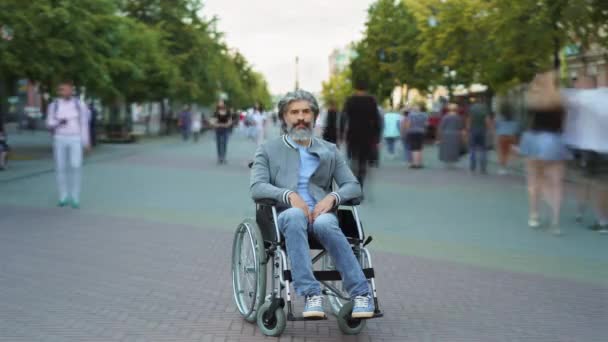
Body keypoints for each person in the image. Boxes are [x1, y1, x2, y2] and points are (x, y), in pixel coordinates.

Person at [250, 89, 374, 319]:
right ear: (284, 117)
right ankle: (311, 294)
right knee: (295, 216)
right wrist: (288, 195)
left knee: (326, 224)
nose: (300, 117)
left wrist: (333, 197)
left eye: (306, 111)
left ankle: (361, 294)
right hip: (285, 216)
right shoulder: (268, 150)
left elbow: (353, 186)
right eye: (294, 112)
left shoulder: (329, 150)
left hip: (321, 214)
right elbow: (257, 187)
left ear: (314, 116)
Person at [518, 71, 571, 235]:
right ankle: (555, 222)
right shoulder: (560, 100)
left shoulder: (531, 100)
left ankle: (534, 215)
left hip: (532, 139)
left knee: (534, 180)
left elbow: (525, 121)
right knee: (556, 184)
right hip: (554, 141)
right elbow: (565, 124)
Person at [46, 80, 91, 209]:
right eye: (61, 89)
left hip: (75, 138)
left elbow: (84, 124)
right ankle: (63, 196)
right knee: (60, 167)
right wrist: (58, 122)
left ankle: (75, 197)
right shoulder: (53, 105)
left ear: (72, 90)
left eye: (66, 89)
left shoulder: (79, 105)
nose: (64, 92)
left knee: (76, 166)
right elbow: (49, 123)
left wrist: (86, 142)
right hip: (59, 138)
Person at [341, 80, 381, 187]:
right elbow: (377, 119)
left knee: (354, 158)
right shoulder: (371, 100)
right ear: (366, 88)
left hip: (352, 133)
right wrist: (377, 135)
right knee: (363, 161)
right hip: (367, 134)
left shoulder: (350, 100)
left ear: (355, 88)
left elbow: (343, 117)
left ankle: (353, 180)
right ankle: (360, 183)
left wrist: (341, 133)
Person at [466, 99, 493, 174]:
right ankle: (483, 168)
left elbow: (469, 120)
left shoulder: (471, 108)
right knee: (483, 149)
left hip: (473, 130)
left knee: (472, 148)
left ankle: (472, 167)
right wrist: (490, 129)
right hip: (482, 130)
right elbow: (487, 120)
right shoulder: (484, 108)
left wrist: (468, 129)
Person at [495, 100, 520, 175]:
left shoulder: (499, 117)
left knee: (502, 152)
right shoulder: (514, 117)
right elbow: (516, 126)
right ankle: (510, 160)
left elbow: (497, 125)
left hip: (502, 136)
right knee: (508, 152)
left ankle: (502, 168)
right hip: (511, 136)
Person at [401, 104, 427, 169]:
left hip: (412, 132)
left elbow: (408, 124)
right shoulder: (424, 115)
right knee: (419, 148)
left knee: (414, 149)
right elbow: (426, 124)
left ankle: (415, 164)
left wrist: (406, 132)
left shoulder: (410, 115)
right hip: (421, 132)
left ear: (413, 109)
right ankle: (420, 163)